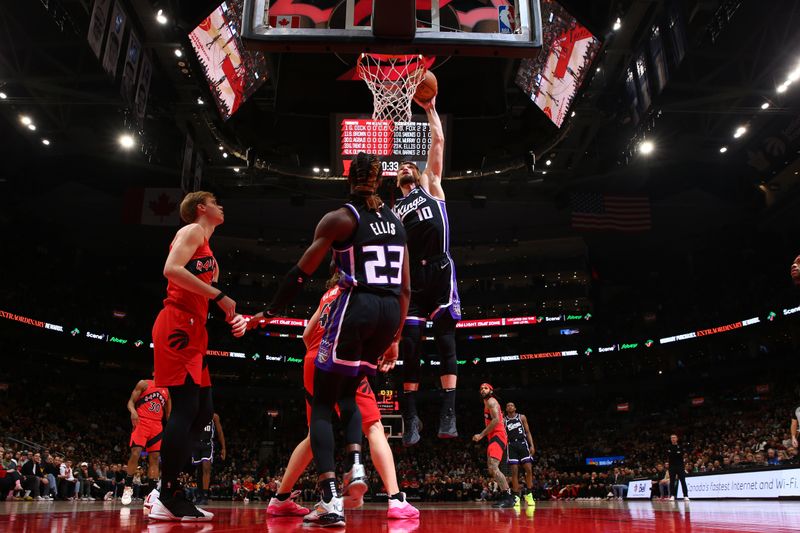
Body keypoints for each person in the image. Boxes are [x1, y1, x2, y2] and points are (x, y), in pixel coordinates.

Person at [249, 152, 410, 527]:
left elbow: (300, 273)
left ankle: (329, 500)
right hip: (389, 315)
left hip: (359, 307)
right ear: (381, 179)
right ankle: (356, 465)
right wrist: (396, 337)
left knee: (322, 404)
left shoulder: (340, 218)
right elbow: (405, 288)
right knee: (350, 392)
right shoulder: (398, 224)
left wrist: (268, 312)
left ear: (348, 177)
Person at [264, 271, 419, 520]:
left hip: (313, 359)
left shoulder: (328, 294)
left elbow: (306, 336)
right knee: (375, 426)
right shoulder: (357, 292)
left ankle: (280, 499)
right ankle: (395, 498)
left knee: (315, 432)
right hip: (341, 357)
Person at [148, 191, 248, 522]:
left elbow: (205, 295)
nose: (222, 206)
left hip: (195, 329)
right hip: (176, 324)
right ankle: (167, 493)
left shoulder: (209, 252)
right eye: (216, 201)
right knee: (187, 406)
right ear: (201, 208)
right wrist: (220, 295)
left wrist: (234, 318)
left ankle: (167, 486)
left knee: (203, 412)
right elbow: (170, 269)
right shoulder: (192, 230)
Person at [392, 96, 461, 445]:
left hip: (440, 270)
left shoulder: (432, 185)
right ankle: (411, 416)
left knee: (446, 342)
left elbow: (438, 141)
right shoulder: (393, 209)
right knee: (411, 348)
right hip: (412, 281)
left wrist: (432, 107)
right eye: (400, 167)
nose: (405, 167)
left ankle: (448, 414)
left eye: (408, 165)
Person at [122, 377, 171, 505]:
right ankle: (128, 487)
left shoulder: (167, 391)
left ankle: (151, 494)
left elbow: (169, 414)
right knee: (135, 453)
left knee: (155, 458)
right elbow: (130, 402)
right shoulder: (144, 383)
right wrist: (133, 411)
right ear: (154, 372)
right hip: (141, 421)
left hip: (157, 426)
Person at [472, 383, 515, 508]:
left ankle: (508, 497)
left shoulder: (491, 401)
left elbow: (496, 420)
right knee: (491, 469)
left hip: (498, 435)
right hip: (493, 436)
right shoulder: (487, 403)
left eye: (485, 388)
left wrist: (481, 435)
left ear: (491, 390)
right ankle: (505, 495)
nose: (482, 390)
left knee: (494, 467)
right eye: (481, 388)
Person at [504, 402, 535, 507]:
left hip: (522, 443)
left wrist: (532, 445)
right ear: (506, 409)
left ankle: (529, 494)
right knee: (514, 472)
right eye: (508, 406)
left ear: (515, 408)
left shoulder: (521, 417)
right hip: (511, 445)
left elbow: (528, 432)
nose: (510, 406)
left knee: (529, 469)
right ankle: (516, 496)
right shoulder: (504, 420)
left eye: (512, 405)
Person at [191, 412, 226, 505]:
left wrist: (223, 448)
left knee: (206, 468)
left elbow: (220, 432)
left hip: (207, 444)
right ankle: (199, 495)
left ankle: (205, 495)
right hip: (196, 444)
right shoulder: (195, 414)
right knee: (199, 471)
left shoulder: (214, 416)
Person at [667, 434, 689, 500]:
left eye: (674, 438)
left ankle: (685, 496)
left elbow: (681, 454)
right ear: (671, 439)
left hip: (680, 466)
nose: (673, 439)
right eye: (672, 438)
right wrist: (677, 453)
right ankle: (672, 495)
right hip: (672, 466)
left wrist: (674, 453)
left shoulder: (681, 446)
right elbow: (669, 455)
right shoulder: (668, 447)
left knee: (683, 481)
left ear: (677, 439)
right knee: (672, 481)